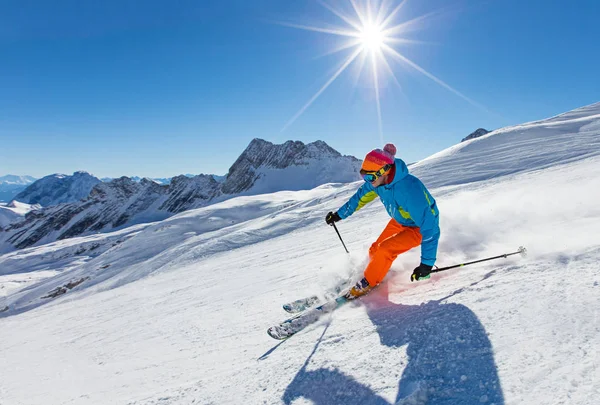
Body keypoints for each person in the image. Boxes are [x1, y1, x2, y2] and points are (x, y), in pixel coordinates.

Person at [325, 143, 440, 299]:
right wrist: (339, 215)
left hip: (419, 227)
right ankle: (373, 272)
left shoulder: (410, 190)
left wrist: (426, 264)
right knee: (375, 249)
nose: (368, 180)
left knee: (386, 249)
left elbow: (430, 227)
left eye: (370, 177)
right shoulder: (377, 182)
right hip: (400, 221)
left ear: (385, 170)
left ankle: (369, 281)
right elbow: (359, 198)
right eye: (364, 176)